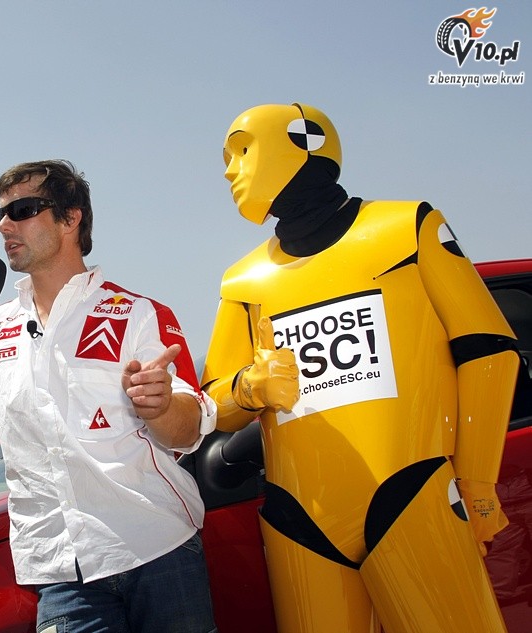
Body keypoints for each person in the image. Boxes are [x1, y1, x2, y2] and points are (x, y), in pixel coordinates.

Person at [201, 102, 520, 632]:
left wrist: (478, 483)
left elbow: (487, 350)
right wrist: (248, 388)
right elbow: (215, 402)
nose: (230, 170)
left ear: (302, 142)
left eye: (241, 150)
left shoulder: (406, 228)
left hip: (413, 495)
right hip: (298, 518)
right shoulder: (244, 281)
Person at [0, 159, 219, 633]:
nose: (4, 225)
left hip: (159, 551)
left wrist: (161, 407)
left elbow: (190, 428)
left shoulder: (137, 313)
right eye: (0, 214)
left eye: (22, 210)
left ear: (70, 218)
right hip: (59, 572)